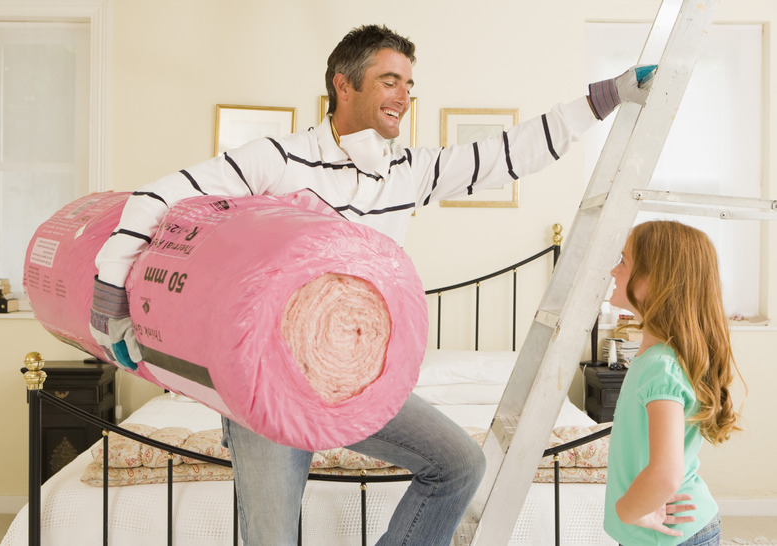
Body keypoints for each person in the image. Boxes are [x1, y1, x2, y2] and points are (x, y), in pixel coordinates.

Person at [89, 24, 654, 545]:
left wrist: (604, 97)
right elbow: (157, 199)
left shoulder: (408, 171)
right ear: (343, 83)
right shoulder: (278, 160)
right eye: (390, 79)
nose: (404, 95)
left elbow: (510, 154)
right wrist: (110, 300)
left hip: (358, 378)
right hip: (266, 381)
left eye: (409, 84)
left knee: (461, 465)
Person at [604, 220, 744, 546]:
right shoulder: (657, 357)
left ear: (656, 282)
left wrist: (626, 510)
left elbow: (666, 473)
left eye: (623, 261)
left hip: (669, 534)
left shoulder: (660, 367)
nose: (613, 271)